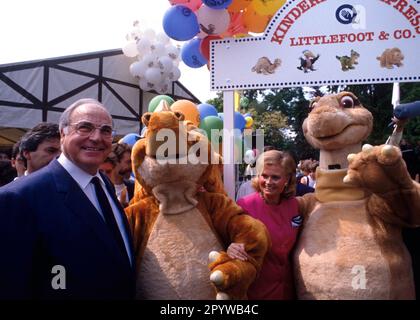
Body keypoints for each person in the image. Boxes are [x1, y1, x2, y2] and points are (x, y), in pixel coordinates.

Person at [0, 98, 135, 299]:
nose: (97, 137)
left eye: (106, 130)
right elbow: (12, 286)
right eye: (85, 127)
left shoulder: (103, 184)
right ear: (63, 133)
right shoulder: (20, 197)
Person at [229, 150, 301, 299]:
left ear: (287, 179)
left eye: (275, 177)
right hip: (257, 290)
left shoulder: (295, 205)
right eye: (264, 176)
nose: (268, 182)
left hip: (289, 289)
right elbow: (230, 239)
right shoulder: (245, 205)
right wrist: (231, 247)